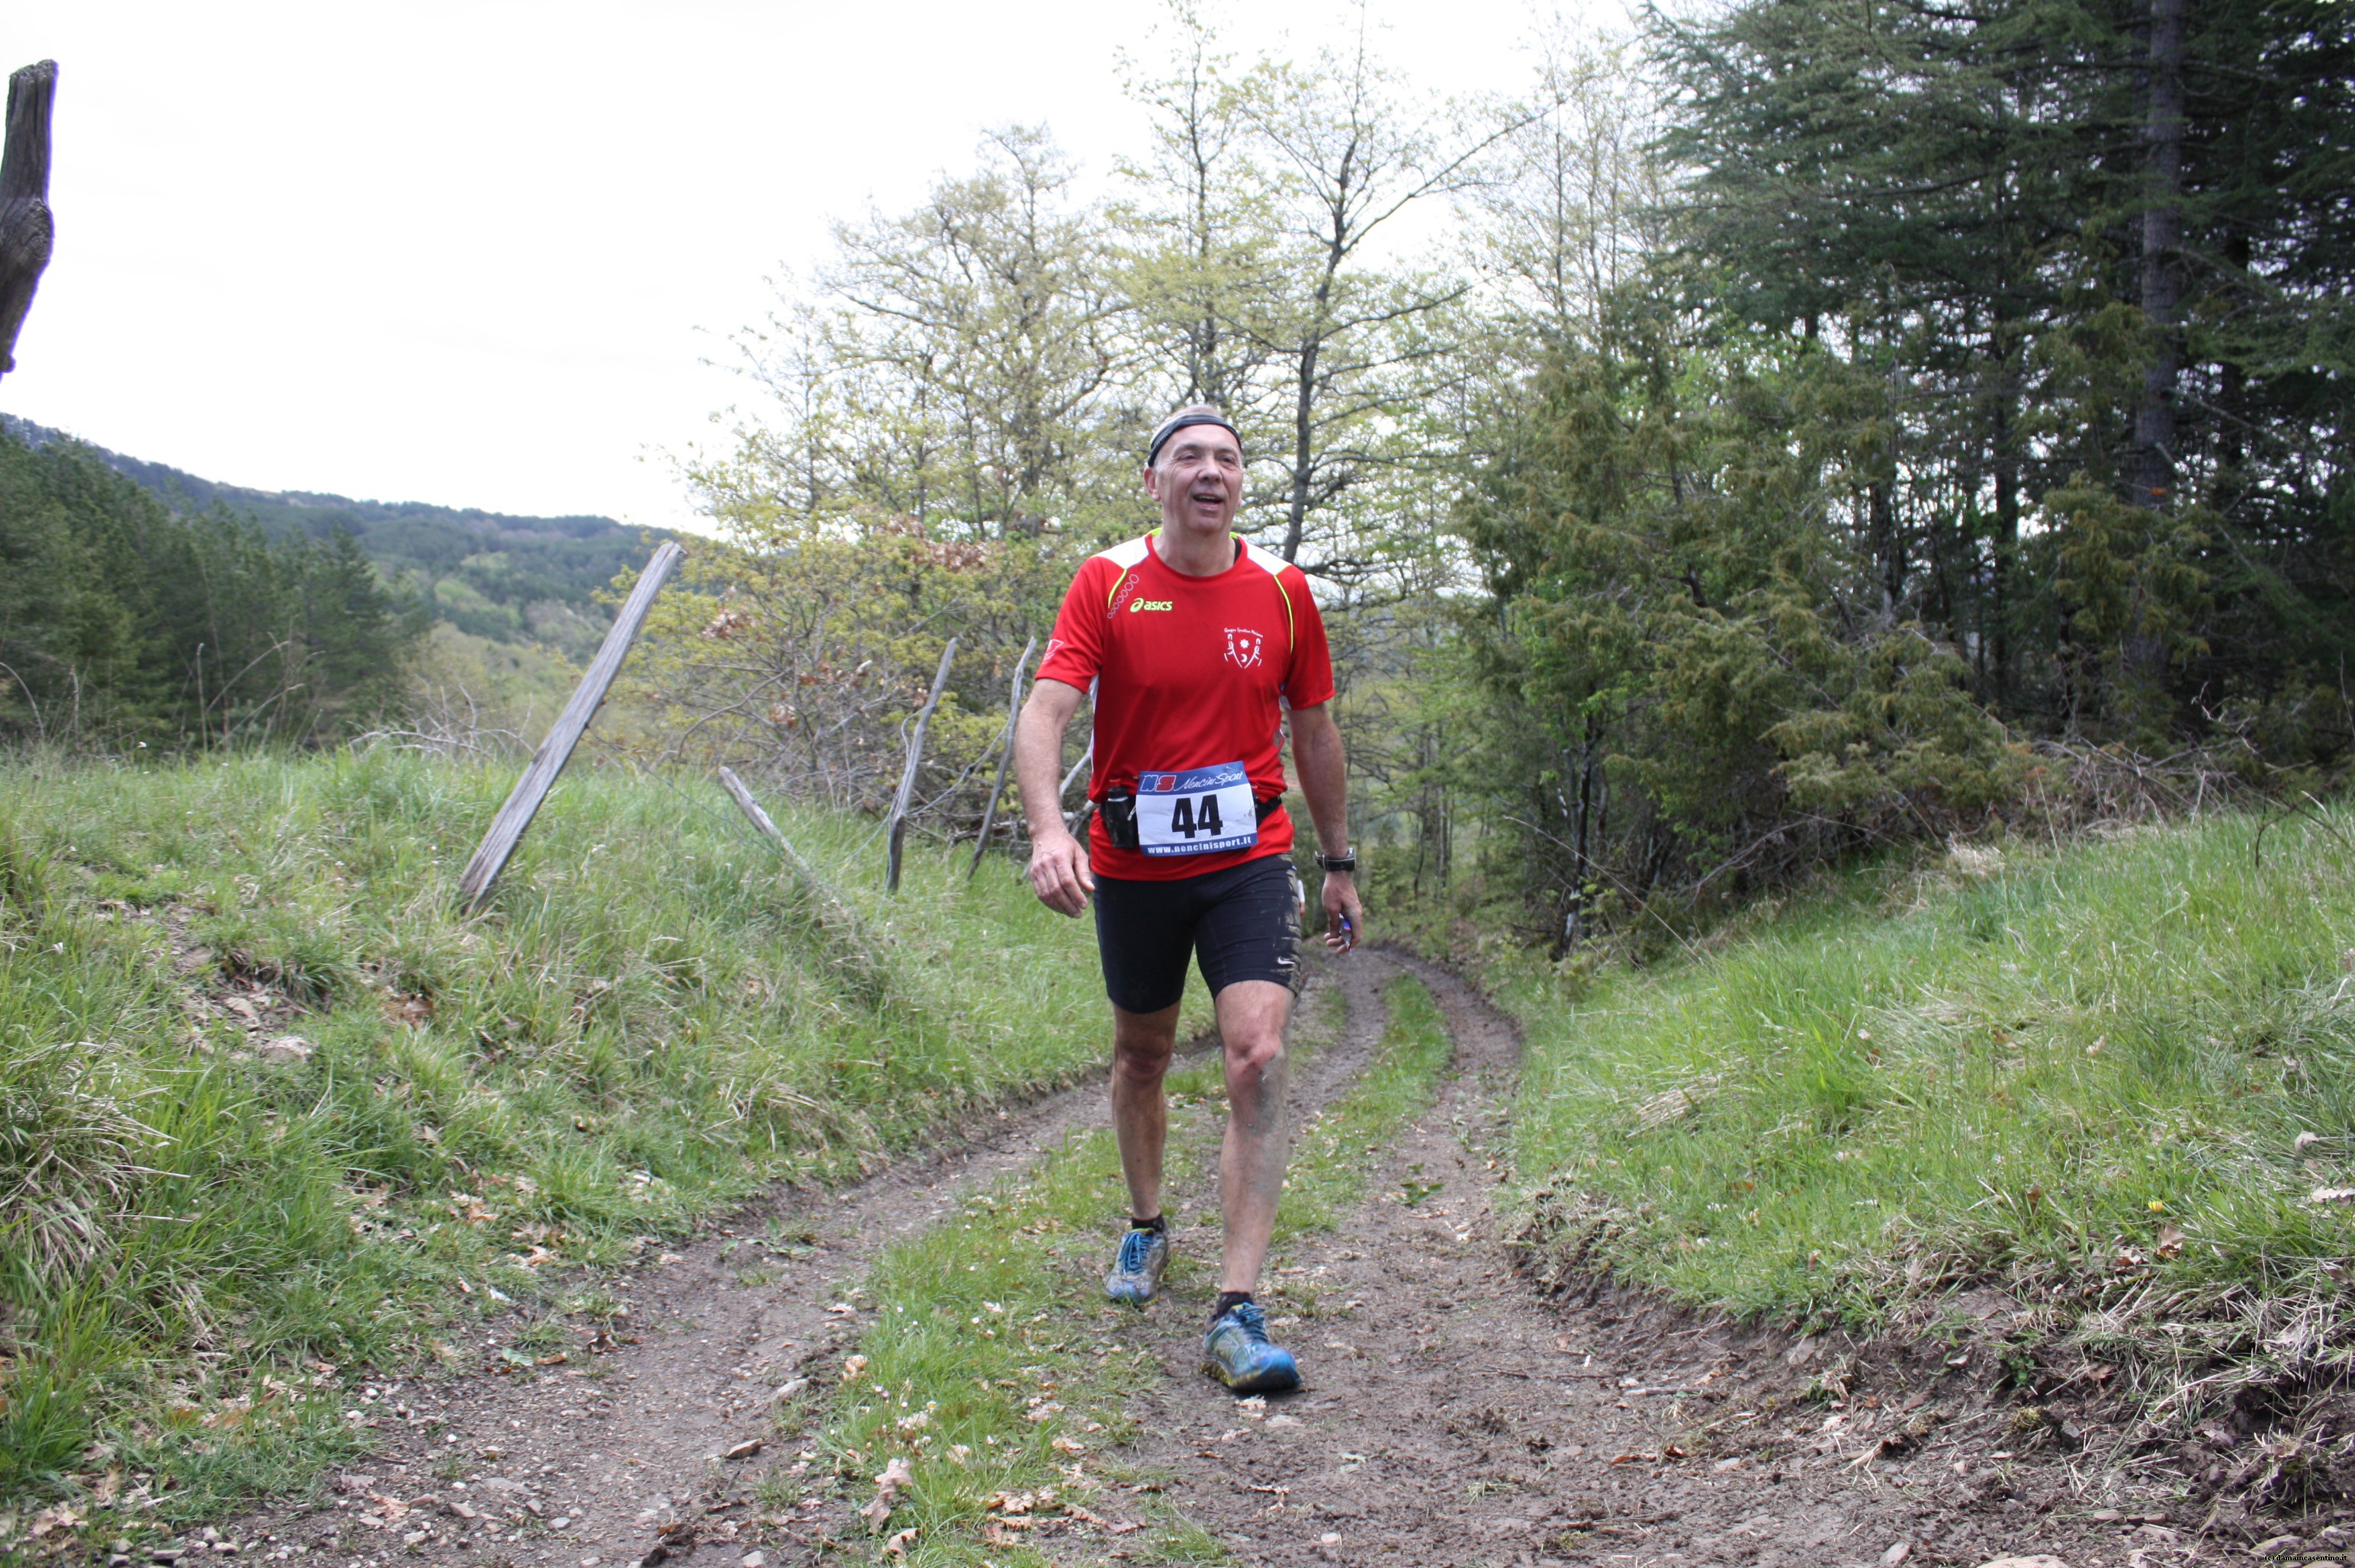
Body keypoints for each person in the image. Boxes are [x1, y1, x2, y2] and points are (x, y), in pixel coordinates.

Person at [1014, 403, 1363, 1395]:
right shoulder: (1109, 581)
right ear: (1156, 480)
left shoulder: (1284, 592)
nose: (1211, 472)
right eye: (1190, 458)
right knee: (1143, 1054)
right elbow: (1046, 712)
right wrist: (1049, 831)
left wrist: (1339, 863)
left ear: (1241, 483)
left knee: (1257, 1055)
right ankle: (1146, 1225)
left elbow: (1317, 731)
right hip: (1133, 865)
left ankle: (1237, 1309)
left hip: (1251, 857)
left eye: (1228, 459)